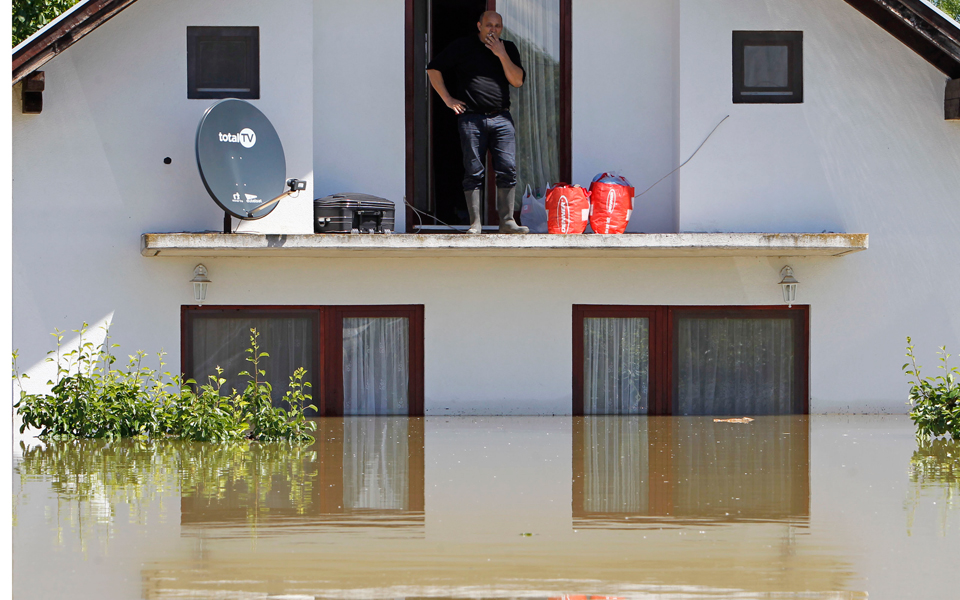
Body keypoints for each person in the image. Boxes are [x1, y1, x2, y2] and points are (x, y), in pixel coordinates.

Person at [426, 11, 528, 234]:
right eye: (489, 25)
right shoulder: (463, 46)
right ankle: (475, 223)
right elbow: (433, 69)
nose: (493, 29)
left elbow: (517, 81)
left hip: (501, 117)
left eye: (498, 26)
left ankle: (507, 222)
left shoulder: (508, 48)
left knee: (508, 169)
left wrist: (501, 54)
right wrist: (447, 99)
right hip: (471, 118)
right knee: (473, 171)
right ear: (479, 25)